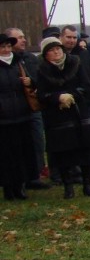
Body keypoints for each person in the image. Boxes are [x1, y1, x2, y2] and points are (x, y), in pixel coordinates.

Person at [36, 37, 90, 198]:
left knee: (85, 149)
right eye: (51, 50)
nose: (56, 52)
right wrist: (58, 97)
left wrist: (72, 95)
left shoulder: (75, 64)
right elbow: (42, 94)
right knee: (63, 153)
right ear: (46, 55)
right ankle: (68, 187)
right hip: (57, 116)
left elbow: (86, 86)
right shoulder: (42, 70)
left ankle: (88, 185)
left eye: (58, 48)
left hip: (78, 112)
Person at [4, 27, 49, 190]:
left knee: (35, 142)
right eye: (19, 38)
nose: (24, 40)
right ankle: (16, 180)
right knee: (14, 147)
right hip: (8, 112)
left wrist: (32, 83)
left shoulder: (30, 58)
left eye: (24, 37)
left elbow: (40, 79)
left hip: (30, 107)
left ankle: (34, 175)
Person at [61, 25, 90, 177]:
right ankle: (73, 169)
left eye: (74, 37)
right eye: (68, 37)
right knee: (72, 138)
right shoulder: (58, 55)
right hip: (68, 103)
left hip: (87, 100)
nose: (71, 40)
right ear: (61, 37)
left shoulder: (84, 54)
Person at [0, 33, 38, 200]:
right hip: (3, 118)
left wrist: (30, 82)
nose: (6, 50)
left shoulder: (19, 63)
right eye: (3, 47)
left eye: (8, 46)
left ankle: (21, 185)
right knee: (6, 155)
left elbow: (35, 81)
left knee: (23, 152)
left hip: (22, 114)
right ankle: (8, 188)